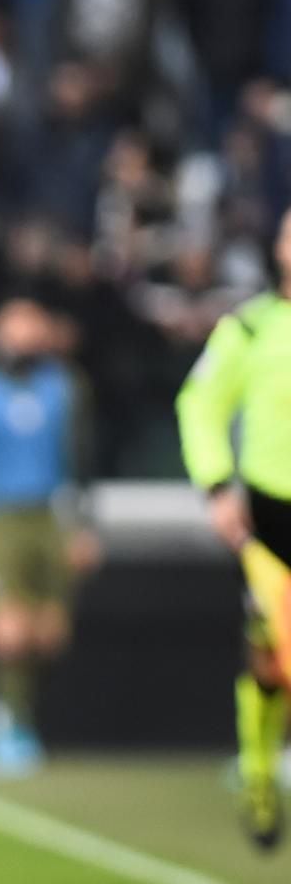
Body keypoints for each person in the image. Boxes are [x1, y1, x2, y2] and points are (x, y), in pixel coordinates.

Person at [176, 208, 291, 850]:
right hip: (271, 521)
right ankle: (258, 775)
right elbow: (199, 403)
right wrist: (218, 485)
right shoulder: (250, 327)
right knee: (272, 658)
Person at [0, 297, 98, 773]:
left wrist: (84, 525)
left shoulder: (66, 387)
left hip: (51, 513)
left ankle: (21, 715)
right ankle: (2, 721)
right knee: (7, 627)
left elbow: (82, 459)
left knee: (49, 630)